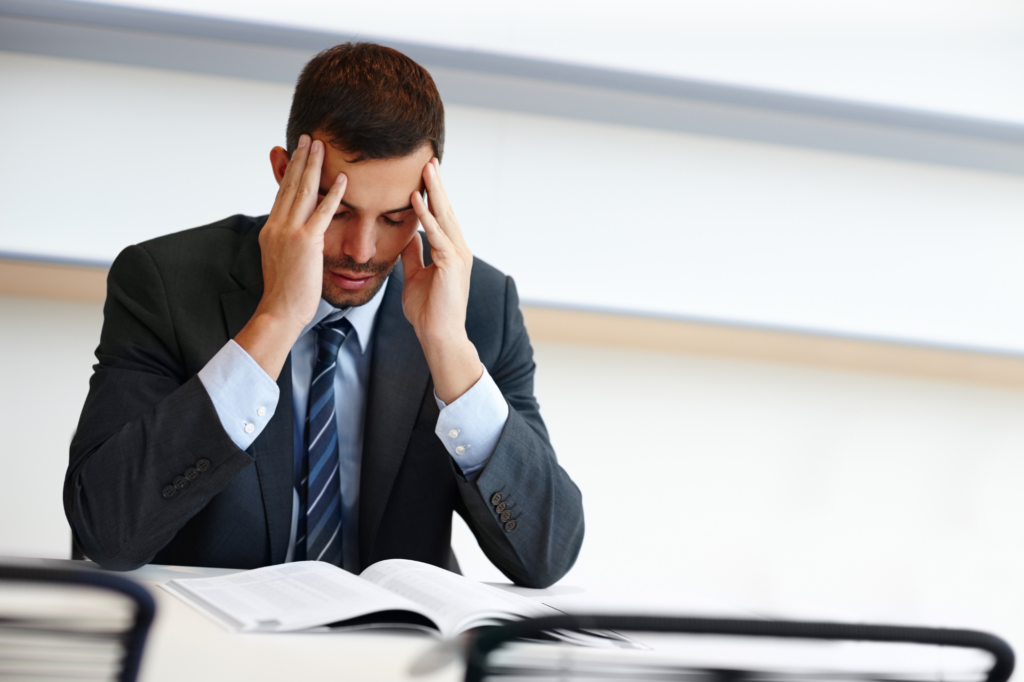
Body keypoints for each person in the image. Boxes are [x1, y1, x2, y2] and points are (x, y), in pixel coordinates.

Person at [63, 42, 584, 588]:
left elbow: (547, 555)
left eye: (395, 217)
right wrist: (274, 322)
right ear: (285, 173)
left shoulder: (479, 308)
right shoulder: (165, 281)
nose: (362, 250)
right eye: (339, 209)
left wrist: (449, 349)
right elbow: (107, 531)